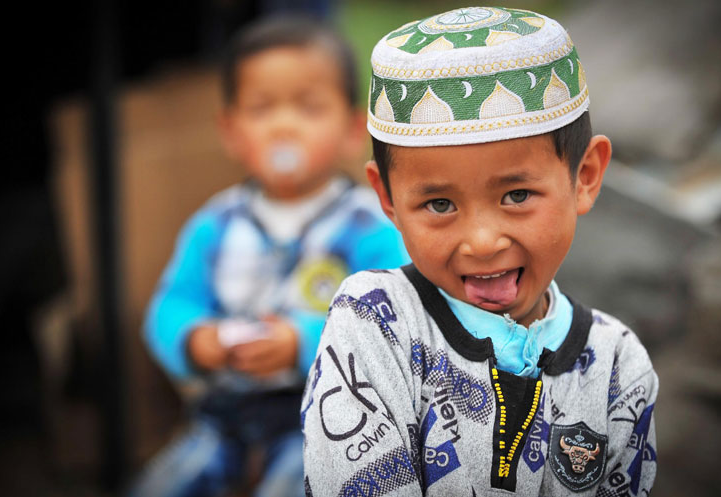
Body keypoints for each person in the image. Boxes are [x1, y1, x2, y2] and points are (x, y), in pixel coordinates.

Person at [301, 6, 657, 496]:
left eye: (517, 196)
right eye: (439, 203)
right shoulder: (375, 324)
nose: (483, 242)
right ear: (387, 198)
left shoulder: (618, 367)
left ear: (586, 176)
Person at [130, 15, 409, 497]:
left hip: (332, 422)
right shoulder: (214, 226)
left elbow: (397, 323)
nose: (283, 125)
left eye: (308, 107)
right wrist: (196, 340)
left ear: (350, 128)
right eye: (261, 109)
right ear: (231, 131)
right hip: (221, 417)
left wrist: (304, 343)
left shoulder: (370, 229)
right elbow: (171, 306)